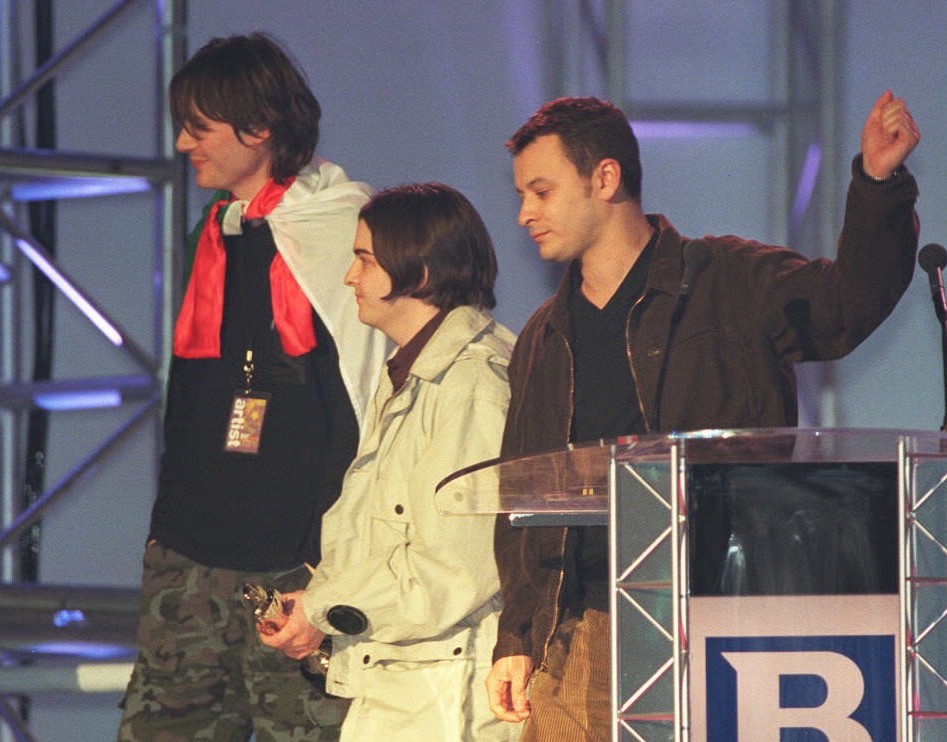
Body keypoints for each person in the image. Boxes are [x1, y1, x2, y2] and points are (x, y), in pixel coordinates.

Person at [486, 92, 920, 740]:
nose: (524, 213)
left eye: (541, 191)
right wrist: (516, 634)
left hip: (701, 625)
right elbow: (520, 498)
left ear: (604, 178)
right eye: (522, 194)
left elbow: (842, 308)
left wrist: (877, 186)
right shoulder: (544, 337)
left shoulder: (727, 281)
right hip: (572, 639)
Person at [118, 33, 386, 741]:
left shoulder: (344, 229)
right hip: (188, 557)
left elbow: (361, 405)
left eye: (198, 127)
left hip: (292, 567)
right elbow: (194, 398)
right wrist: (164, 536)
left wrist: (321, 562)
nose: (183, 144)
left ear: (258, 128)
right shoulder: (213, 231)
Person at [258, 183, 520, 741]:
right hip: (410, 683)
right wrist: (320, 602)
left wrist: (325, 607)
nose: (350, 277)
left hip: (446, 695)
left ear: (419, 274)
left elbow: (456, 567)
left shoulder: (469, 383)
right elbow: (383, 536)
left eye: (363, 260)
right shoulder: (414, 372)